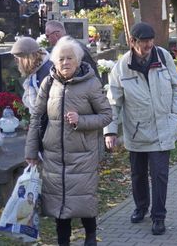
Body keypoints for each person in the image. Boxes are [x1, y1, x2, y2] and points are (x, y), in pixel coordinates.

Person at [25, 36, 112, 246]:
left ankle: (90, 236)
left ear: (78, 60)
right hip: (54, 155)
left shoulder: (90, 83)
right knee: (58, 204)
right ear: (55, 61)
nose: (65, 62)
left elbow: (106, 115)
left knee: (83, 199)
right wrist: (31, 151)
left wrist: (81, 120)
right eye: (61, 58)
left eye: (70, 58)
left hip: (82, 155)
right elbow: (37, 116)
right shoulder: (48, 82)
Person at [104, 22, 177, 236]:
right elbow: (113, 102)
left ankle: (158, 217)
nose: (148, 44)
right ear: (132, 42)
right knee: (138, 175)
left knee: (159, 175)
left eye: (151, 40)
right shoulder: (121, 67)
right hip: (137, 130)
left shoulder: (163, 57)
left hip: (163, 128)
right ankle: (141, 207)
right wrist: (110, 130)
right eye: (143, 41)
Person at [11, 37, 53, 115]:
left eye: (17, 59)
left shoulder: (47, 71)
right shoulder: (37, 69)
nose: (16, 63)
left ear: (26, 59)